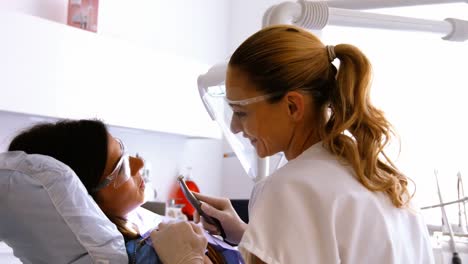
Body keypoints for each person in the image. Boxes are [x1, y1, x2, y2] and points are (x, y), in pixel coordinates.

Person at [156, 24, 436, 263]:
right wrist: (248, 235)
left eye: (241, 112)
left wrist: (186, 258)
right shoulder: (386, 181)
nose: (234, 127)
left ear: (292, 106)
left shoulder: (288, 189)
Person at [7, 119, 242, 264]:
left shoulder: (146, 238)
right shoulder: (147, 255)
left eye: (126, 151)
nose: (139, 165)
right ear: (86, 198)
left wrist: (245, 236)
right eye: (122, 168)